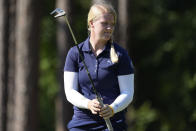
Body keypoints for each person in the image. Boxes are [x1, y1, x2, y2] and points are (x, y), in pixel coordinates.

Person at [64, 2, 134, 131]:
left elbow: (128, 92)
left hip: (113, 123)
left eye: (112, 24)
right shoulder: (74, 53)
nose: (109, 28)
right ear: (92, 24)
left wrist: (113, 108)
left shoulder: (121, 54)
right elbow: (70, 92)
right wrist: (88, 103)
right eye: (104, 23)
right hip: (82, 123)